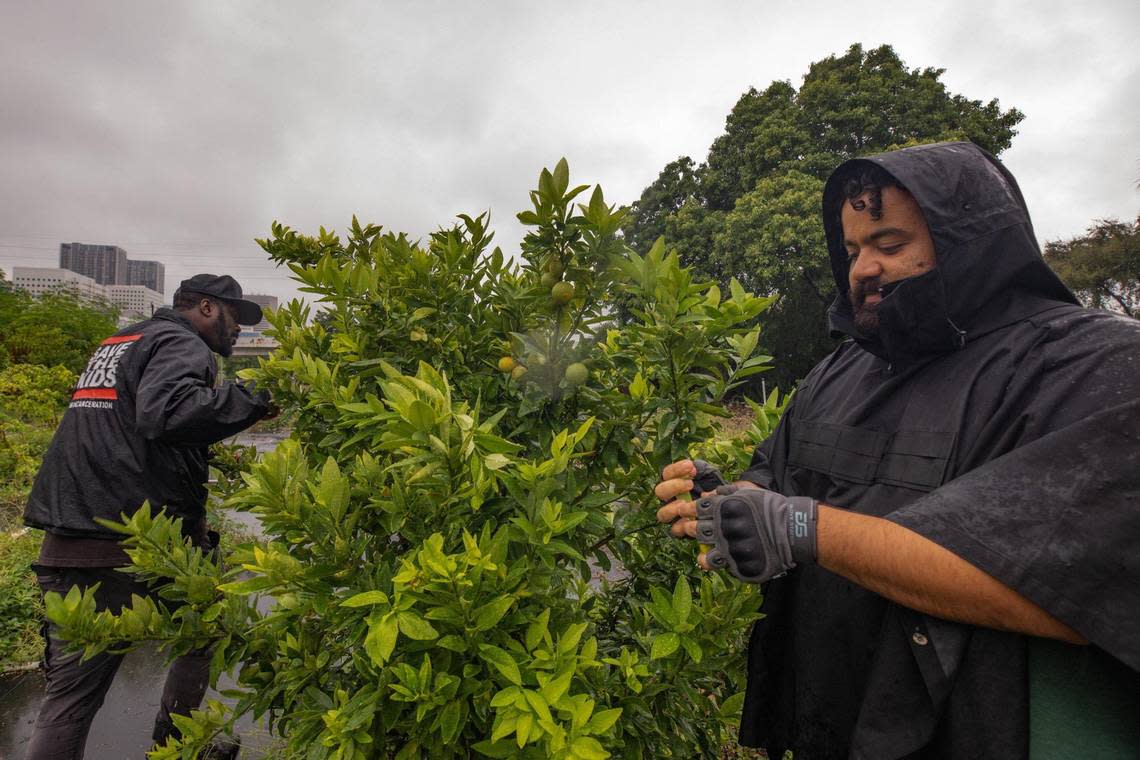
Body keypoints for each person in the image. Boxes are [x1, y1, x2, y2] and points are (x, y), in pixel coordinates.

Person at [655, 142, 1140, 759]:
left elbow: (1071, 590)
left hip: (980, 734)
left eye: (889, 245)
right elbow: (776, 478)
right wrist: (732, 504)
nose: (861, 269)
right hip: (835, 722)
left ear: (974, 244)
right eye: (854, 250)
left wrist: (799, 528)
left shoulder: (1090, 366)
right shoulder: (845, 368)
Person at [22, 273, 274, 760]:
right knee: (205, 628)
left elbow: (135, 430)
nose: (237, 330)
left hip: (70, 536)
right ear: (204, 307)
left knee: (69, 698)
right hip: (134, 543)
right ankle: (174, 747)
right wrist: (254, 396)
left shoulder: (122, 341)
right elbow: (168, 415)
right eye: (232, 317)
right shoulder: (181, 344)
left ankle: (176, 744)